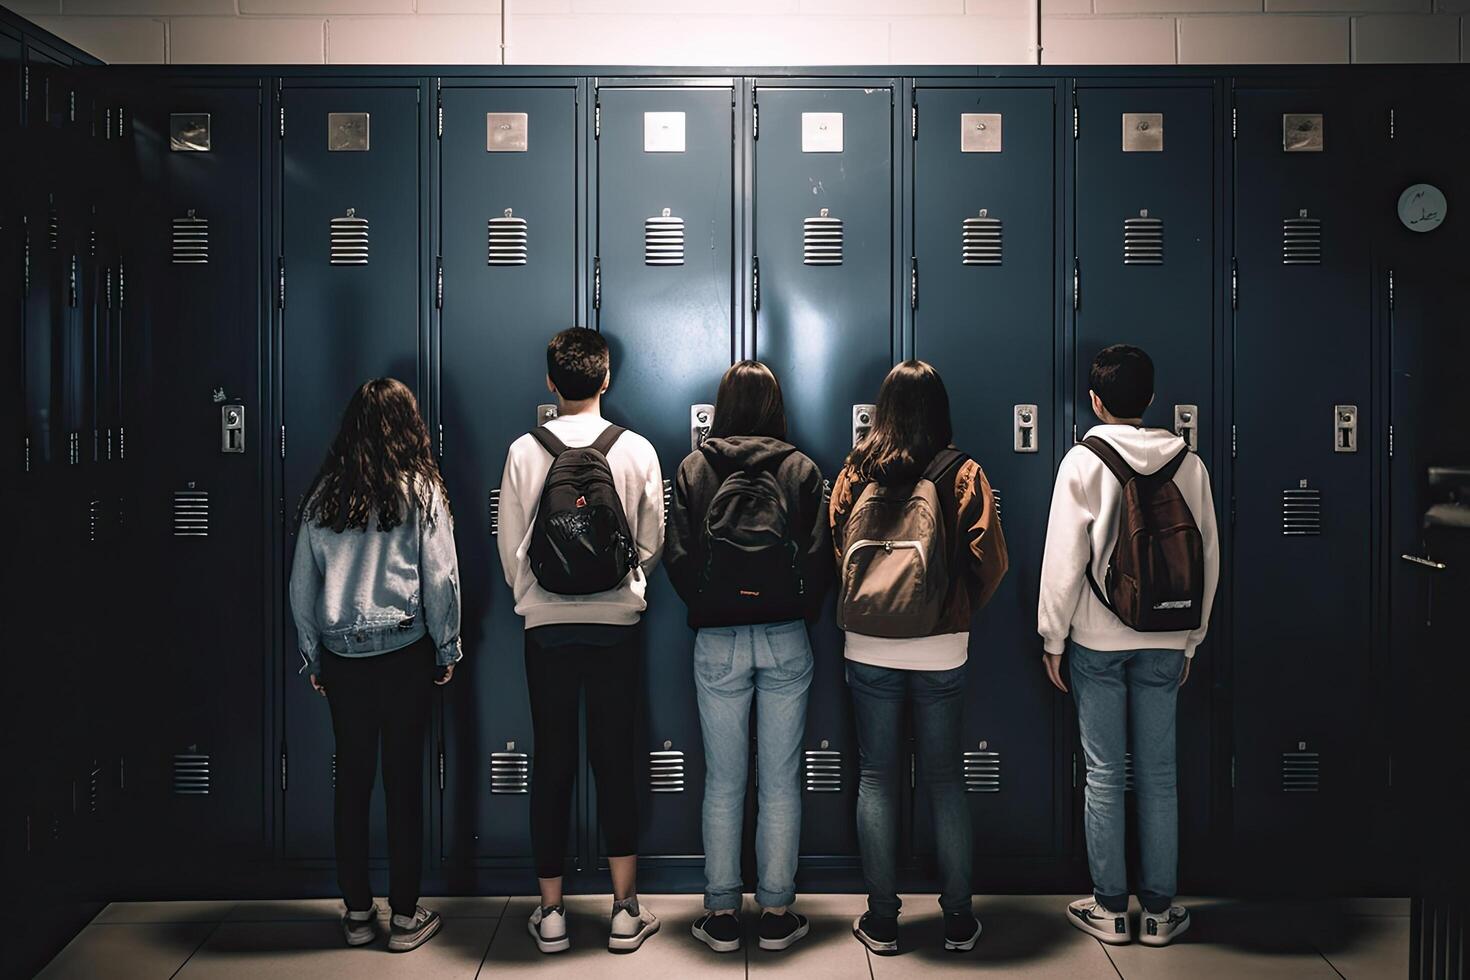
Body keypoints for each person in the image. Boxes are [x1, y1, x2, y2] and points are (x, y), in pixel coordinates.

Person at [1037, 344, 1219, 948]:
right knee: (1161, 776)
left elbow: (1064, 561)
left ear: (1095, 400)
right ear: (1149, 399)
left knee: (1105, 775)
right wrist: (1191, 639)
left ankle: (1112, 909)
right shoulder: (1188, 464)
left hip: (1097, 639)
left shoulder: (1082, 463)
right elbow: (1208, 559)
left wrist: (1053, 638)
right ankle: (1162, 912)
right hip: (1166, 638)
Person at [829, 359, 1009, 955]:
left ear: (882, 410)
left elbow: (836, 542)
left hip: (868, 643)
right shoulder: (963, 472)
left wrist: (874, 602)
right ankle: (957, 919)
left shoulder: (856, 470)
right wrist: (952, 607)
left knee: (877, 778)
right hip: (941, 645)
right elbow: (991, 560)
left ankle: (882, 922)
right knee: (945, 779)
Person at [496, 327, 665, 954]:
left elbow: (511, 543)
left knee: (554, 759)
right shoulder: (637, 450)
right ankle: (624, 912)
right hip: (616, 623)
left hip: (546, 626)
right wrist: (619, 584)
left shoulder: (522, 450)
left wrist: (540, 595)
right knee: (615, 758)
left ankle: (552, 914)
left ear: (549, 381)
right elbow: (651, 541)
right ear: (606, 378)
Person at [288, 377, 461, 954]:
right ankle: (406, 917)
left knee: (352, 782)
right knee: (404, 783)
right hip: (405, 652)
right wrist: (447, 645)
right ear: (408, 426)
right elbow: (441, 579)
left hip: (344, 660)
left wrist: (313, 653)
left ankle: (358, 911)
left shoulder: (323, 497)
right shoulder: (423, 491)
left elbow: (301, 587)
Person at [664, 361, 831, 954]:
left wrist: (709, 604)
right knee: (781, 780)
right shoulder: (802, 469)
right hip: (786, 634)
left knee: (725, 780)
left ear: (722, 406)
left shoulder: (693, 467)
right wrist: (797, 610)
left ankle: (723, 913)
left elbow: (676, 557)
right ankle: (779, 912)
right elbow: (820, 559)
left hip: (717, 639)